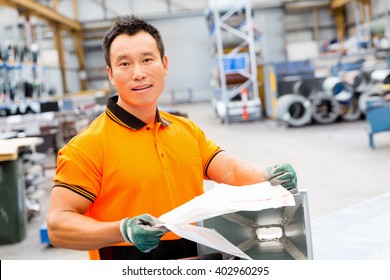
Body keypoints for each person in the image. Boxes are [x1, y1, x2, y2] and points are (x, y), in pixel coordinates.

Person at [47, 15, 297, 260]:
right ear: (111, 74)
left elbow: (228, 170)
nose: (138, 73)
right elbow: (58, 226)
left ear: (164, 65)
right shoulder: (86, 147)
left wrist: (265, 176)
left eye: (147, 59)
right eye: (124, 64)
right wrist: (121, 230)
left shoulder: (186, 131)